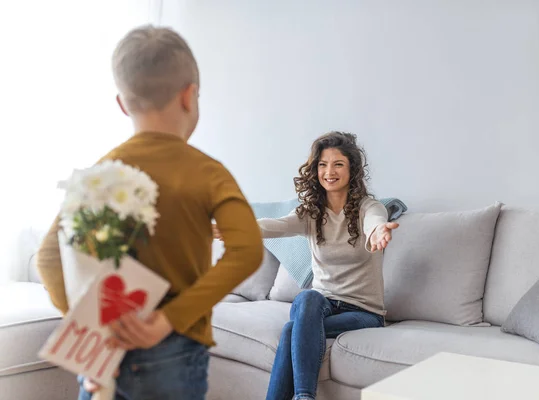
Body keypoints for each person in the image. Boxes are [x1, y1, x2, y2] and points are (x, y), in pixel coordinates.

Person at [36, 25, 264, 400]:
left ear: (123, 104)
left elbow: (48, 258)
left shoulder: (103, 172)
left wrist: (95, 334)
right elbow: (247, 250)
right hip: (172, 354)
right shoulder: (208, 172)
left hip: (105, 353)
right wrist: (169, 319)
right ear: (190, 96)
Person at [214, 131, 399, 400]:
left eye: (338, 164)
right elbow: (275, 226)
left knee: (292, 329)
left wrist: (378, 232)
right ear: (315, 170)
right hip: (322, 306)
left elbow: (375, 220)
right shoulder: (311, 213)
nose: (329, 171)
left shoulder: (366, 207)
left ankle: (303, 396)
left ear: (352, 170)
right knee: (307, 298)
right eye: (323, 165)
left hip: (363, 311)